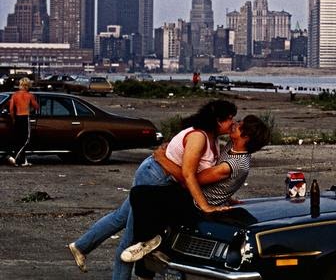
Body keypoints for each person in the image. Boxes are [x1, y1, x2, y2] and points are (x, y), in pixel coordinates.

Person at [68, 99, 236, 279]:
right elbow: (188, 175)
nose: (233, 123)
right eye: (230, 119)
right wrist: (205, 206)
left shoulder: (212, 138)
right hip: (155, 177)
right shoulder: (199, 137)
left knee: (121, 217)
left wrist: (226, 197)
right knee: (131, 242)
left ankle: (81, 246)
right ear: (218, 120)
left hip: (157, 173)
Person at [121, 115, 271, 276]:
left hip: (195, 202)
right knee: (150, 212)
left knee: (140, 194)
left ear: (246, 136)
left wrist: (162, 158)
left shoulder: (232, 165)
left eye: (240, 125)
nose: (235, 124)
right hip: (195, 196)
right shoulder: (233, 147)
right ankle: (147, 253)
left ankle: (145, 245)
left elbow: (190, 179)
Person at [7, 77, 39, 166]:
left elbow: (11, 109)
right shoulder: (30, 95)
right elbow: (37, 107)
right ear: (28, 86)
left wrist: (13, 119)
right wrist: (30, 108)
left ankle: (24, 161)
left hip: (17, 118)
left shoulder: (15, 95)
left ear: (20, 85)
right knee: (26, 140)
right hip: (25, 117)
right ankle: (13, 156)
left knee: (19, 140)